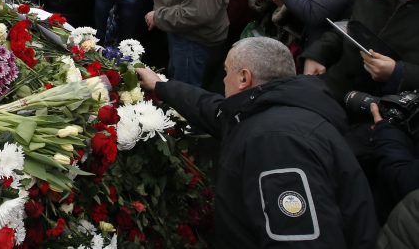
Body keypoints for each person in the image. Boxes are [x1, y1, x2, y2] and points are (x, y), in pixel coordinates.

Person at [136, 37, 379, 248]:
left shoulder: (277, 143)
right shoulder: (270, 107)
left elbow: (299, 241)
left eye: (226, 71)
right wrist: (161, 87)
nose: (223, 80)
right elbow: (215, 111)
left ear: (244, 77)